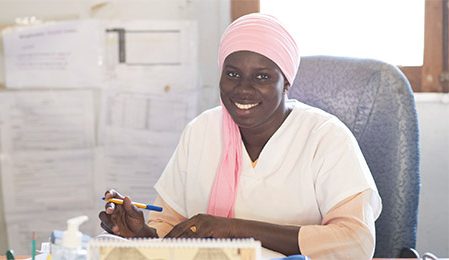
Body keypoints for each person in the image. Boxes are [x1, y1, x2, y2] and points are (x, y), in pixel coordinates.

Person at [99, 13, 381, 259]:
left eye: (262, 77)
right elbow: (170, 231)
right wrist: (143, 236)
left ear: (285, 83)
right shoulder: (200, 132)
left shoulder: (325, 138)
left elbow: (355, 243)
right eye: (232, 74)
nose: (243, 89)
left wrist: (233, 229)